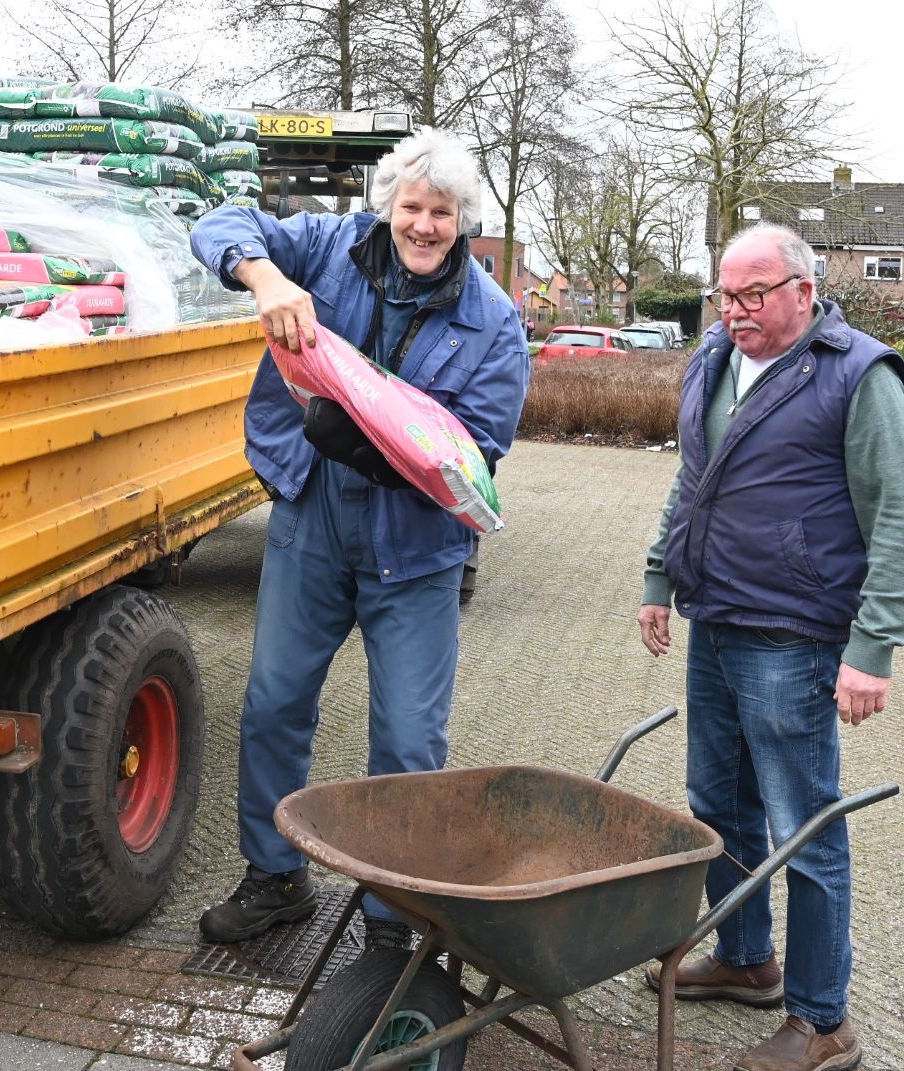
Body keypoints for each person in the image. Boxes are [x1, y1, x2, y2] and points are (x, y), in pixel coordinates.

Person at [188, 129, 528, 950]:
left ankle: (390, 913)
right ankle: (274, 877)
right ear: (386, 208)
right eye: (411, 206)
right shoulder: (329, 248)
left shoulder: (494, 324)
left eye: (440, 212)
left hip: (413, 546)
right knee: (272, 705)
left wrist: (371, 443)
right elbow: (217, 222)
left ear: (463, 221)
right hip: (313, 518)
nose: (423, 225)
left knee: (408, 739)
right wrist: (265, 276)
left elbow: (476, 453)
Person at [636, 223, 904, 1071]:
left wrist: (872, 648)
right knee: (715, 806)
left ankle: (821, 1017)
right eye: (724, 294)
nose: (735, 311)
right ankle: (744, 956)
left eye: (754, 294)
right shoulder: (714, 359)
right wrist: (659, 578)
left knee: (804, 827)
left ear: (804, 289)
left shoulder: (857, 375)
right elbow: (690, 479)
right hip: (714, 618)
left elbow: (898, 520)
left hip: (794, 637)